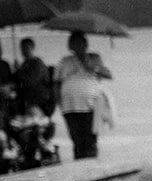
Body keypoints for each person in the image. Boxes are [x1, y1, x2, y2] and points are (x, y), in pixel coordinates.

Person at [55, 31, 112, 160]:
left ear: (86, 44)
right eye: (75, 43)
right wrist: (59, 104)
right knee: (77, 140)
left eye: (81, 43)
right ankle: (80, 165)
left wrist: (94, 67)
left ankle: (92, 165)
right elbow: (56, 84)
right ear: (71, 46)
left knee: (92, 139)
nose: (78, 46)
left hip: (93, 105)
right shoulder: (64, 61)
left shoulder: (94, 58)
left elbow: (108, 75)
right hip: (70, 107)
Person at [13, 37, 55, 116]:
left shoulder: (37, 63)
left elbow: (31, 82)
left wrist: (19, 71)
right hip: (28, 101)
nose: (24, 51)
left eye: (26, 48)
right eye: (22, 48)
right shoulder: (24, 64)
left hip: (40, 101)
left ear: (32, 48)